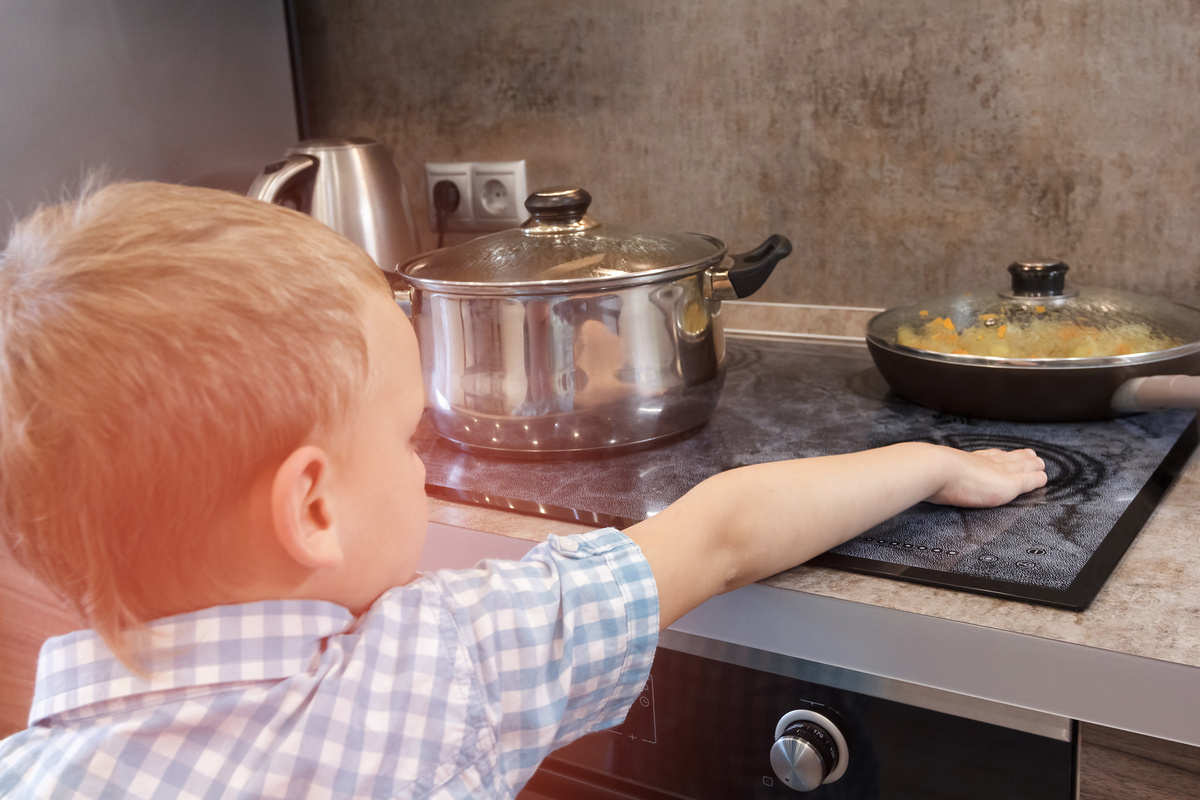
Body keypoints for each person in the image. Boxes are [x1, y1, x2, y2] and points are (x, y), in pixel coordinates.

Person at [0, 181, 1047, 799]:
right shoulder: (440, 662)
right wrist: (937, 461)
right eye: (408, 436)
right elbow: (721, 530)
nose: (425, 465)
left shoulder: (31, 769)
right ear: (312, 507)